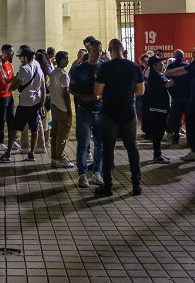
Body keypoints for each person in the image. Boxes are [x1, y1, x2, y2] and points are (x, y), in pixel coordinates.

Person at [93, 39, 145, 197]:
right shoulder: (134, 67)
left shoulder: (105, 67)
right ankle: (136, 185)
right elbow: (141, 91)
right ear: (123, 49)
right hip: (128, 111)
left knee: (108, 149)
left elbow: (97, 91)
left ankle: (107, 185)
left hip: (109, 112)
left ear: (110, 50)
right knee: (132, 148)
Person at [0, 47, 46, 162]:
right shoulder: (38, 67)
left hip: (24, 104)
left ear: (25, 57)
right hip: (36, 103)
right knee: (34, 129)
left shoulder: (24, 69)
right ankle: (31, 154)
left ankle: (8, 153)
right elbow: (43, 87)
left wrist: (7, 87)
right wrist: (42, 104)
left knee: (14, 128)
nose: (20, 60)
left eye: (21, 58)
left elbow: (15, 85)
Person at [69, 39, 104, 189]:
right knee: (83, 144)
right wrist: (82, 96)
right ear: (89, 51)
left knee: (100, 143)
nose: (98, 53)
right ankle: (82, 174)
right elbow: (71, 88)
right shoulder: (79, 68)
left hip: (100, 110)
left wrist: (100, 96)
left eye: (100, 50)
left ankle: (97, 171)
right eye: (96, 50)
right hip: (84, 110)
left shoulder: (104, 68)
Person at [144, 55, 173, 163]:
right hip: (158, 107)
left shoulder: (158, 74)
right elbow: (167, 84)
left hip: (161, 107)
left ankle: (158, 153)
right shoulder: (155, 76)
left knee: (160, 131)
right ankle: (157, 155)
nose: (162, 64)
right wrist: (175, 79)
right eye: (160, 63)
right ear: (154, 65)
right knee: (158, 132)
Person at [49, 51, 74, 169]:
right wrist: (69, 110)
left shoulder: (53, 72)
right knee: (62, 135)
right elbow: (66, 93)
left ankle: (54, 156)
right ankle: (59, 158)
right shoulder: (64, 75)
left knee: (55, 134)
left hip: (54, 106)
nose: (68, 61)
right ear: (62, 60)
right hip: (63, 108)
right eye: (66, 59)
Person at [0, 44, 15, 151]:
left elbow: (12, 80)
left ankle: (12, 140)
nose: (13, 54)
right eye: (11, 52)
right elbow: (5, 81)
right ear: (5, 53)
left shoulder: (9, 64)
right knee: (1, 119)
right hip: (0, 96)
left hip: (9, 95)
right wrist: (19, 77)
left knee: (11, 119)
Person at [166, 50, 191, 145]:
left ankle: (175, 138)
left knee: (176, 119)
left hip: (176, 97)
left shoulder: (170, 67)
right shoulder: (187, 66)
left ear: (174, 57)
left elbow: (167, 82)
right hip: (187, 97)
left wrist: (172, 93)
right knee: (189, 120)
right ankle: (189, 139)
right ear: (183, 56)